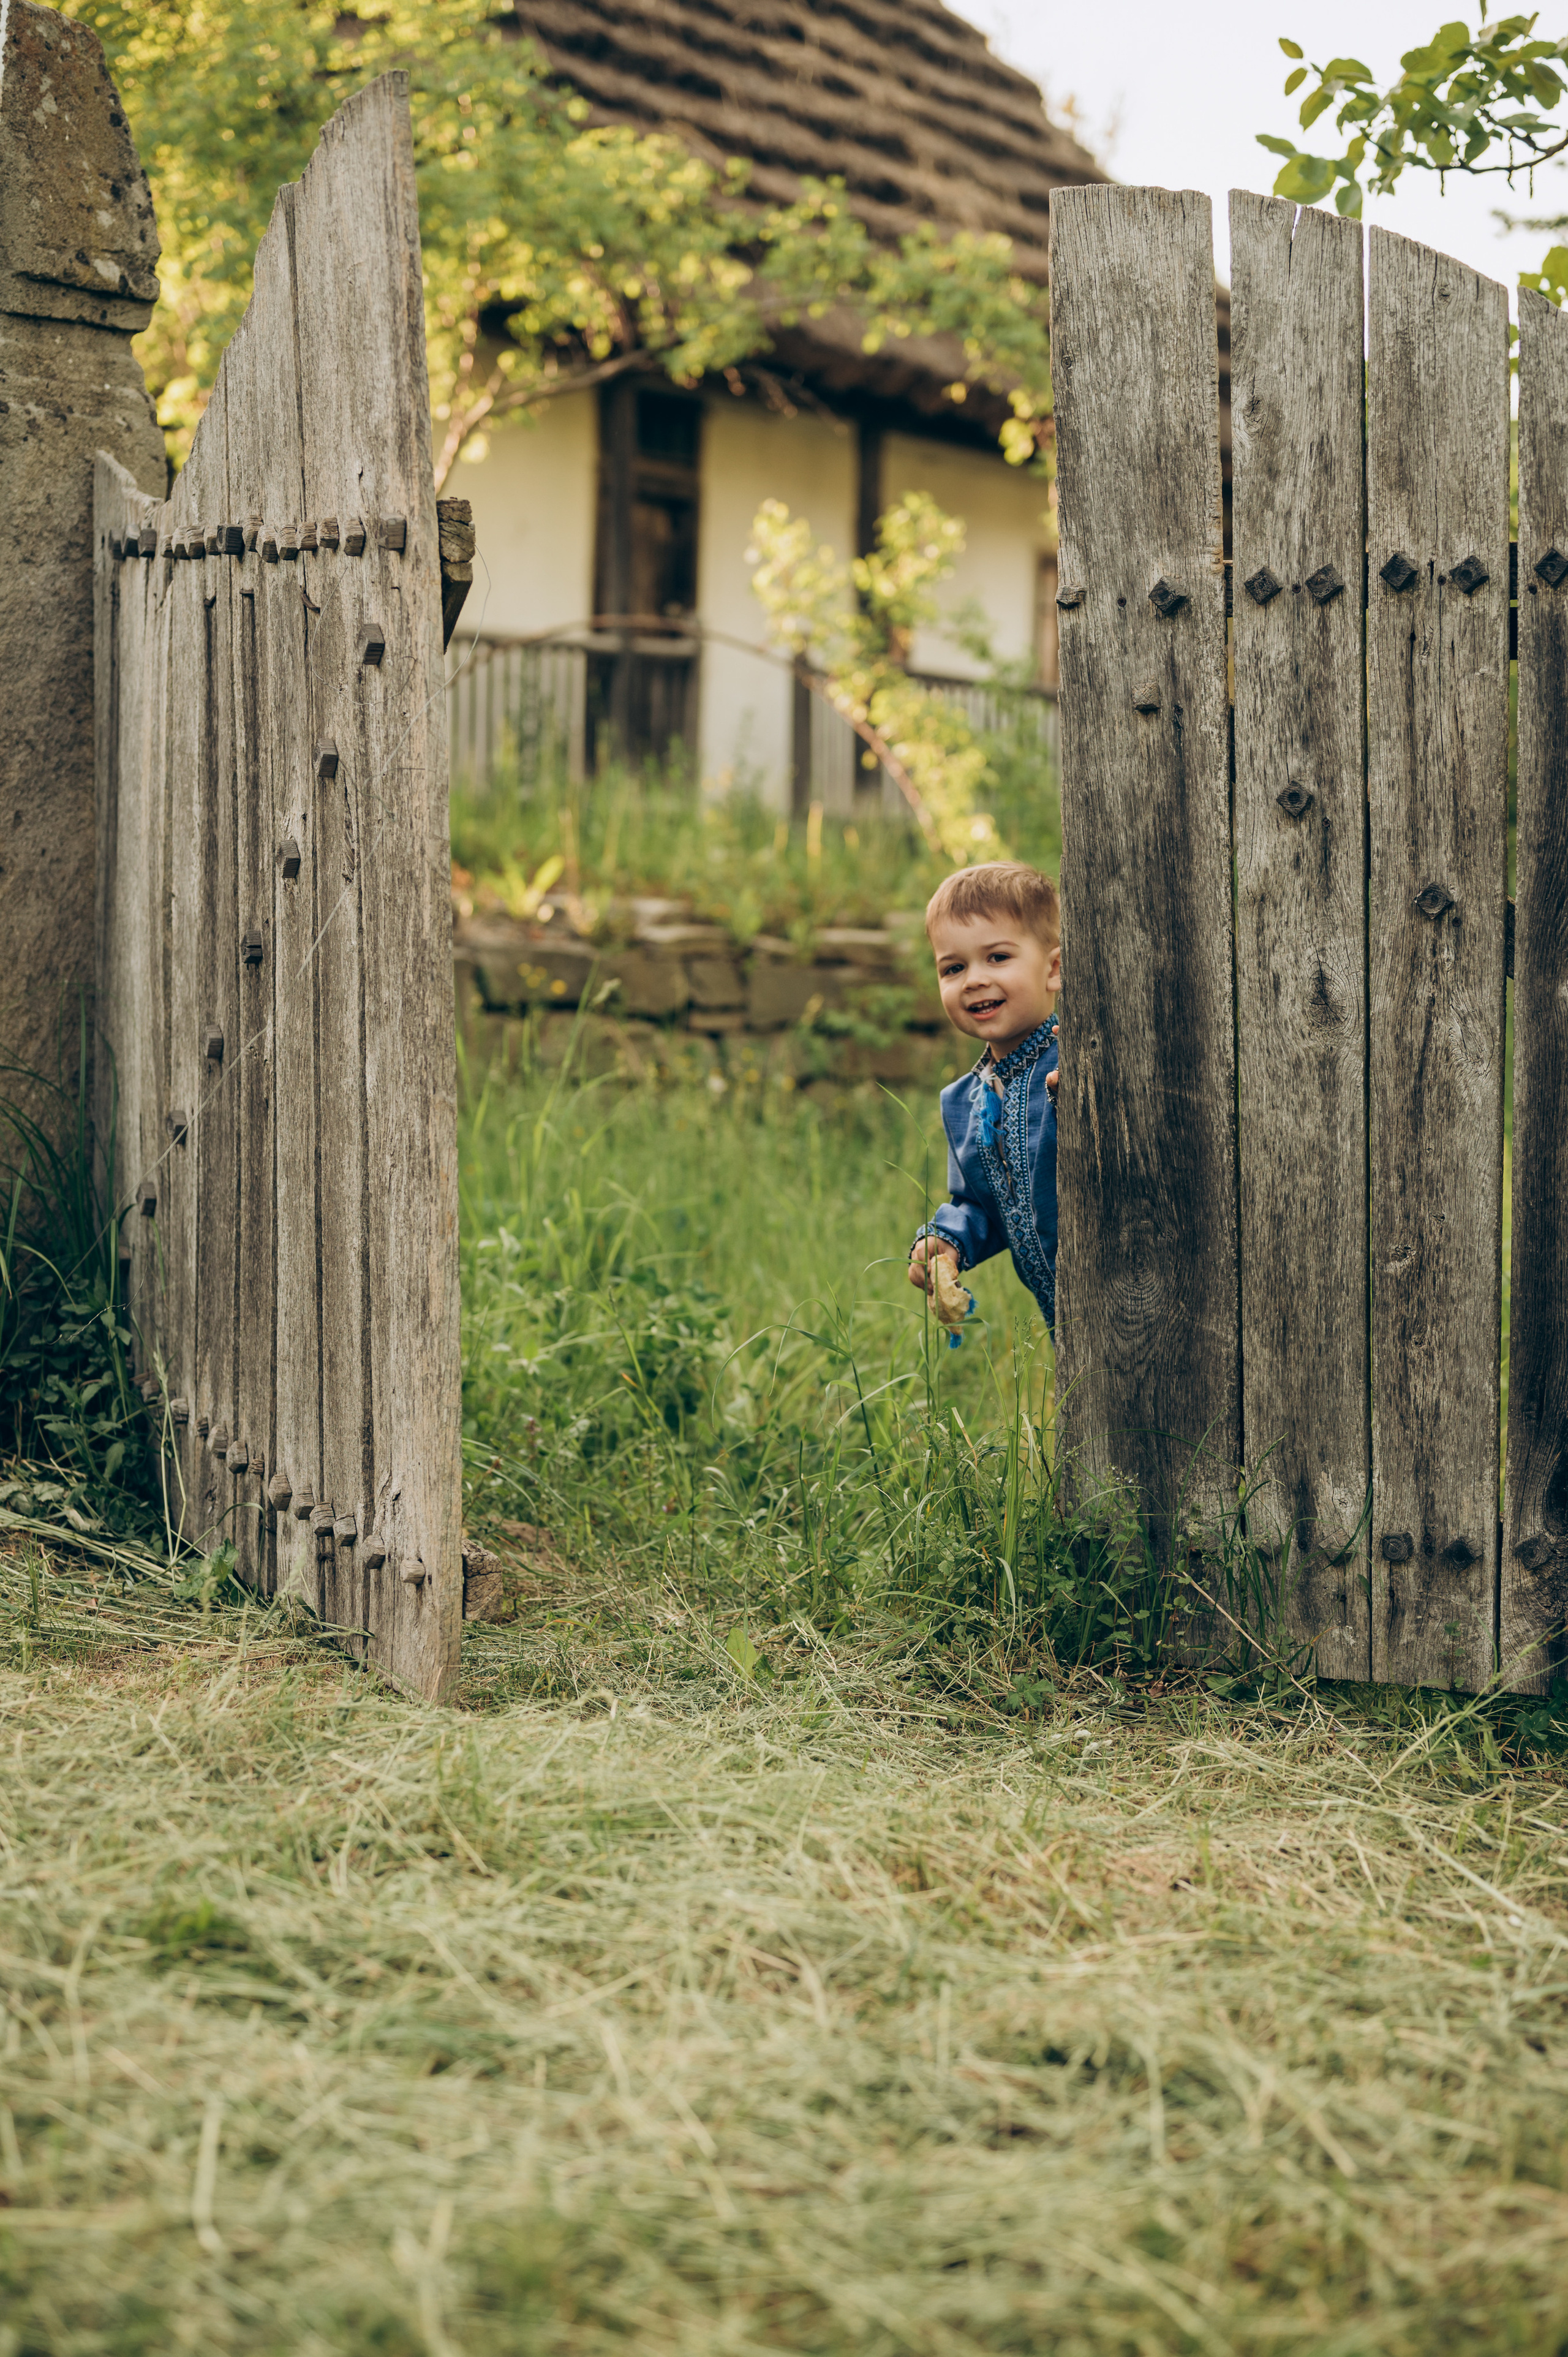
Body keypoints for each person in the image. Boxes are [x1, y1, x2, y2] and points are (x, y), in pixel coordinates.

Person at [907, 860, 1062, 1339]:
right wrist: (947, 1242)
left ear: (1053, 969)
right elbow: (982, 1203)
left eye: (997, 957)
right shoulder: (966, 1102)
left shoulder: (1079, 1065)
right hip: (1065, 1315)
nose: (973, 979)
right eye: (954, 968)